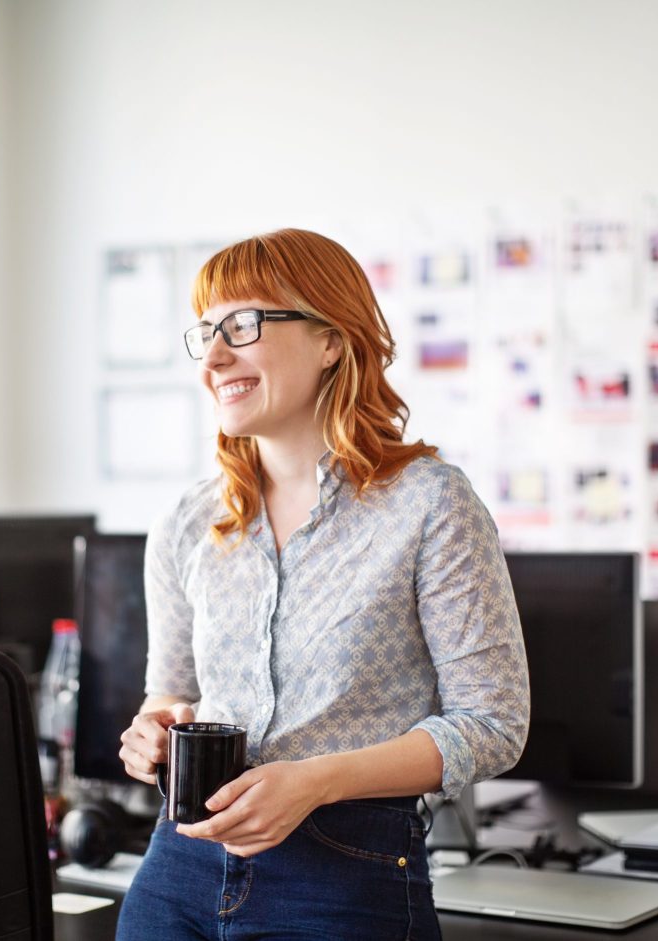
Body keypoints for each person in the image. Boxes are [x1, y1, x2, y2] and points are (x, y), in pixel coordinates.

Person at [115, 229, 530, 940]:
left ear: (332, 338)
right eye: (206, 332)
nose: (214, 357)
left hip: (345, 872)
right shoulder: (187, 523)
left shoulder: (429, 504)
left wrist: (314, 780)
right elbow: (170, 692)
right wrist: (151, 732)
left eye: (242, 325)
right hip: (178, 870)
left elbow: (492, 725)